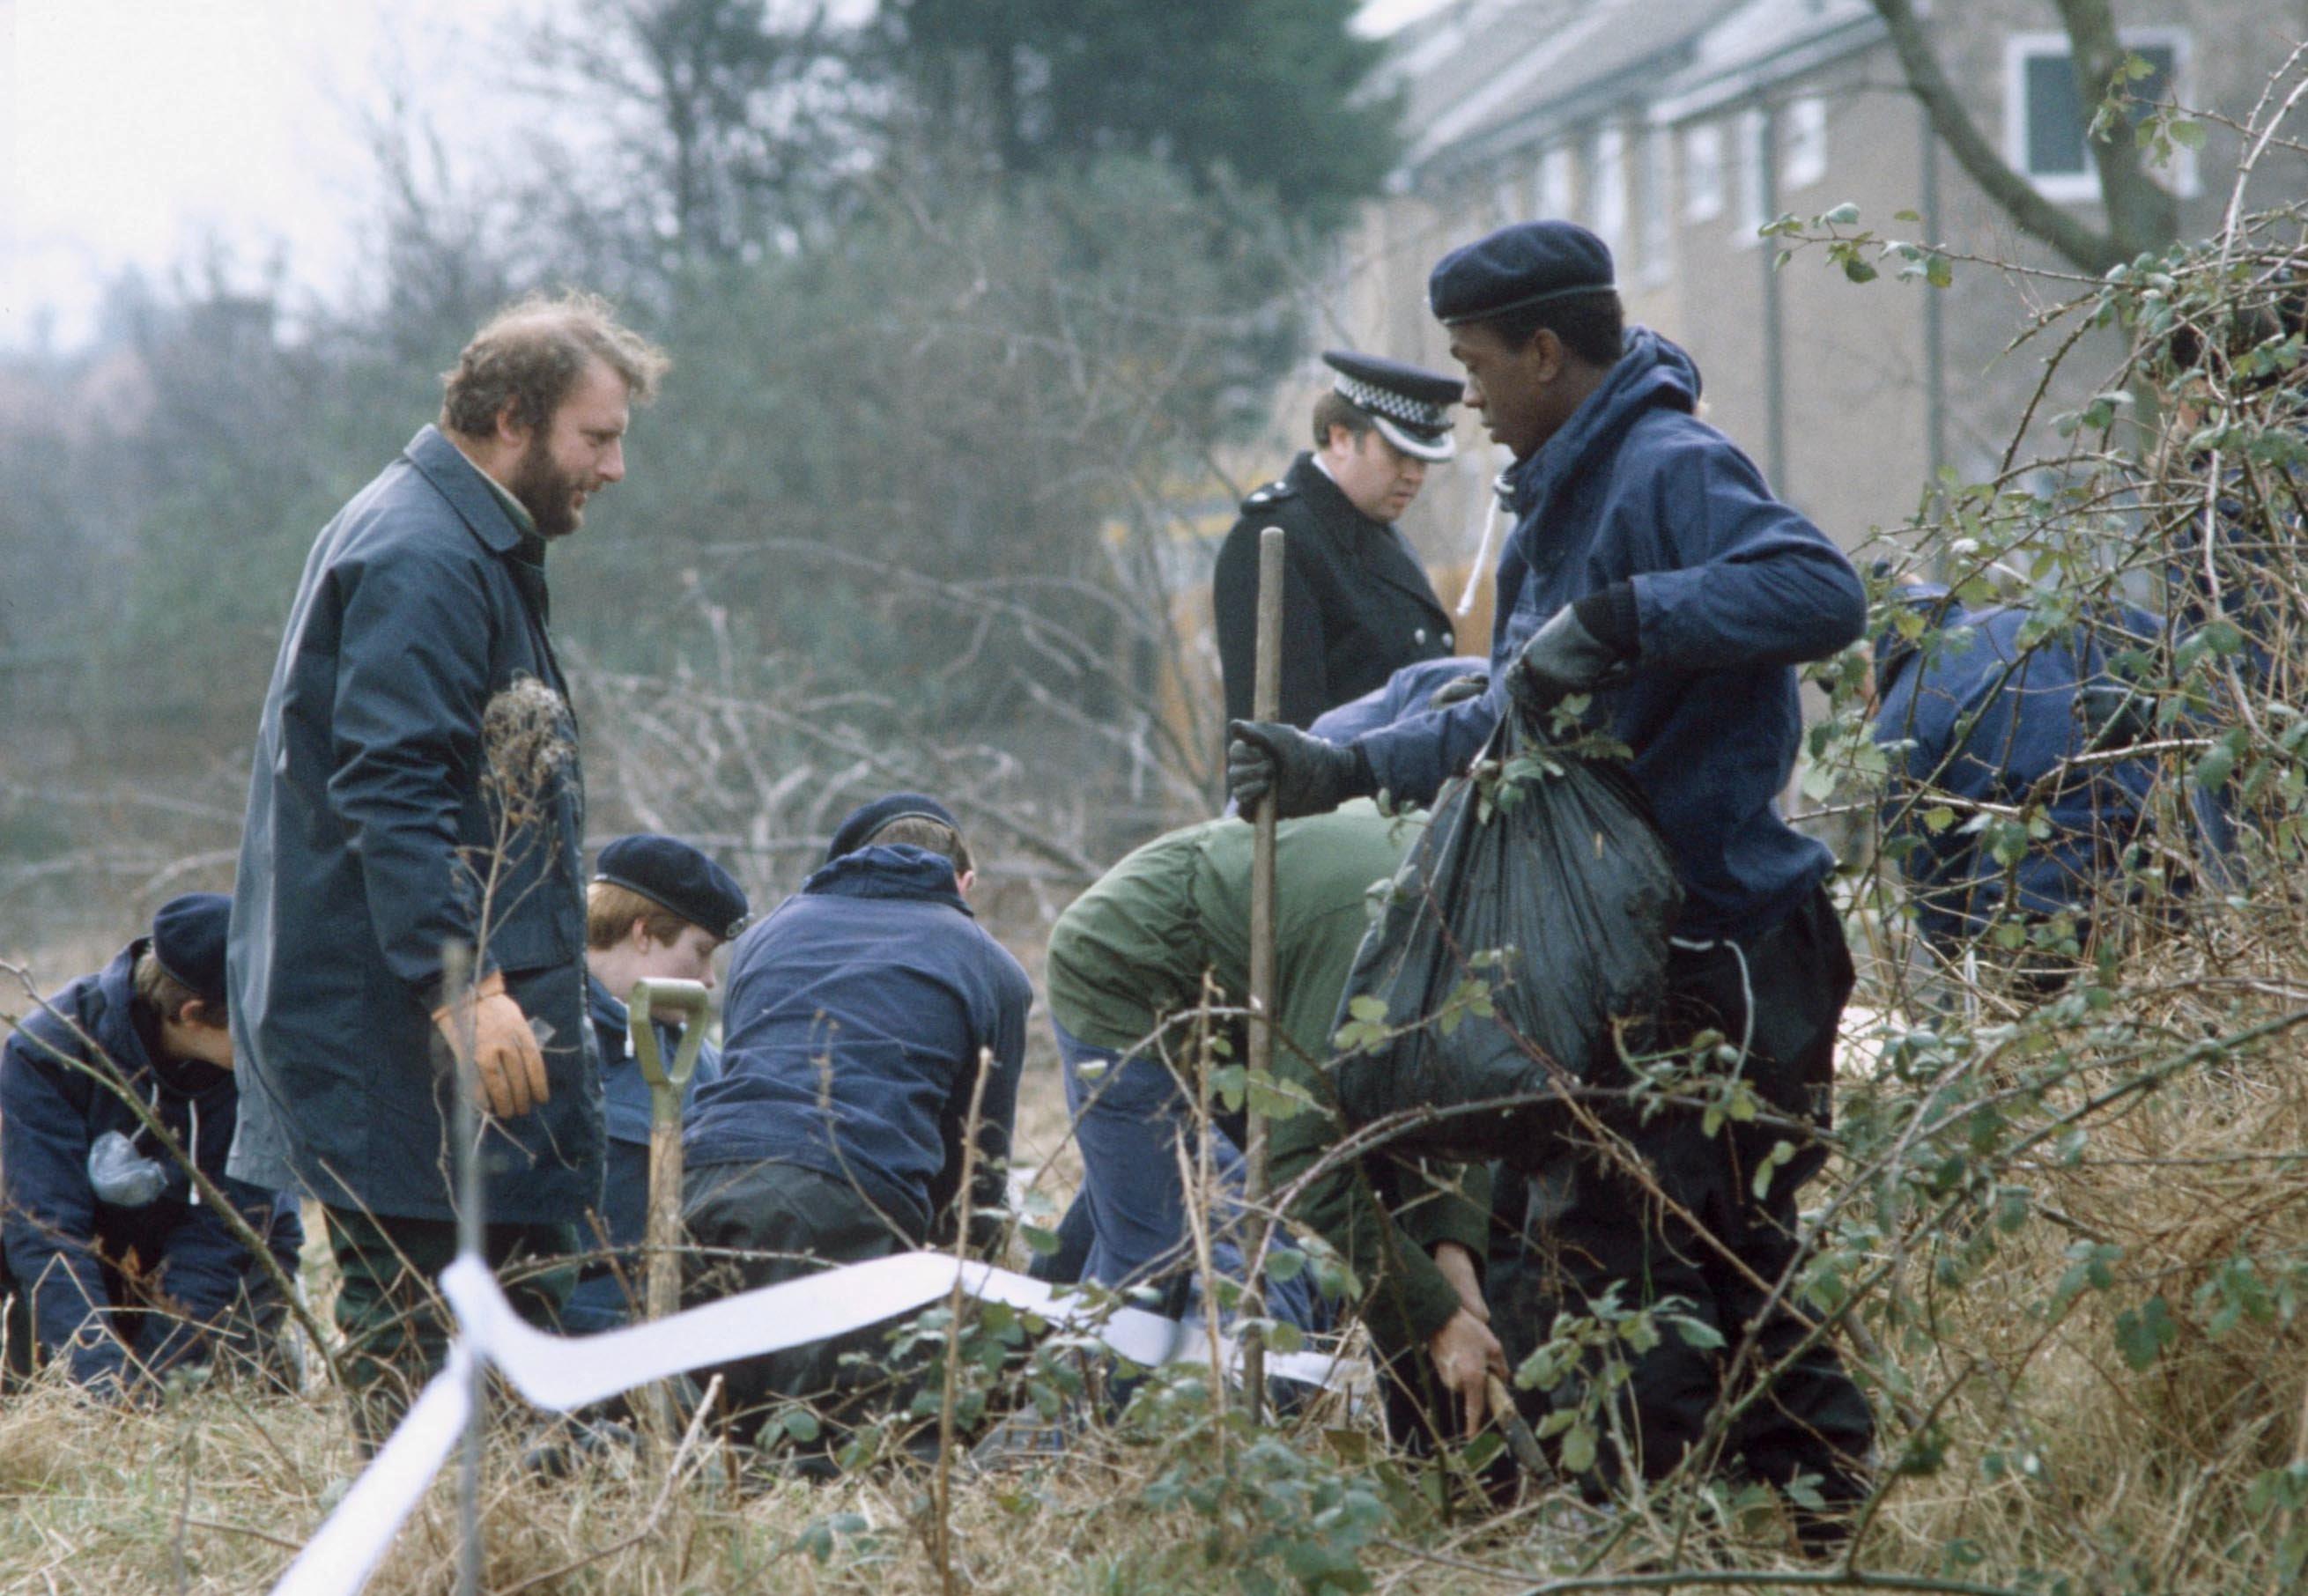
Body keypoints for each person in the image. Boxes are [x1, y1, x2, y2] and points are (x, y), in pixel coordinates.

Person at [1224, 221, 1875, 1541]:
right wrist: (1335, 768)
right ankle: (1801, 1524)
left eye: (1474, 362)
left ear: (1543, 349)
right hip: (1634, 965)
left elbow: (1821, 590)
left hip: (1733, 953)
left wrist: (1633, 616)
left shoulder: (1667, 464)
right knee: (1694, 1260)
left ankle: (1685, 1535)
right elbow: (1508, 716)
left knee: (1649, 1266)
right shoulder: (1551, 505)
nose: (1465, 394)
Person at [227, 291, 669, 1444]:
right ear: (513, 419)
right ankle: (424, 1559)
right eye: (597, 436)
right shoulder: (423, 556)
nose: (615, 466)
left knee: (512, 1310)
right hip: (400, 1027)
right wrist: (463, 986)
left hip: (440, 1015)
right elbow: (392, 790)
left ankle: (503, 1539)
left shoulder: (459, 535)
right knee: (420, 1333)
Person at [1041, 801, 1501, 1452]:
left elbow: (1439, 1105)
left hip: (1248, 984)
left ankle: (1014, 1358)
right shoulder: (1388, 937)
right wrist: (1435, 1314)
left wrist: (1452, 1253)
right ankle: (1078, 1459)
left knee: (1135, 1201)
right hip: (1125, 963)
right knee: (1154, 1249)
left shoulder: (1477, 914)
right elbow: (1302, 1165)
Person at [680, 794, 1032, 1451]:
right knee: (837, 1453)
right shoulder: (990, 965)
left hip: (705, 1178)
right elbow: (980, 1166)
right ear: (966, 882)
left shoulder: (766, 935)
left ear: (846, 863)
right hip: (850, 1197)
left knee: (712, 1437)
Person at [3, 894, 302, 1397]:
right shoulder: (49, 1052)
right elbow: (45, 1226)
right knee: (56, 1387)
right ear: (193, 1015)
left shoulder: (253, 1073)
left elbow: (223, 1235)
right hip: (90, 1257)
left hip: (215, 1269)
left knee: (232, 1391)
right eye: (254, 1028)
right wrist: (100, 1375)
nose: (272, 1042)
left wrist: (155, 1385)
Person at [1872, 587, 2163, 995]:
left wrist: (1967, 984)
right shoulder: (2038, 615)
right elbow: (2186, 663)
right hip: (2156, 858)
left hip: (2038, 906)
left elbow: (1936, 891)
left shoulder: (1897, 725)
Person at [1213, 351, 1466, 730]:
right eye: (1399, 453)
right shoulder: (1275, 538)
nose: (1415, 475)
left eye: (1423, 459)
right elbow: (1281, 732)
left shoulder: (1374, 531)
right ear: (1342, 438)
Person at [563, 834, 750, 1334]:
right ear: (643, 933)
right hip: (555, 1335)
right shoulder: (546, 1034)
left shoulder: (701, 1061)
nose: (710, 979)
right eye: (701, 951)